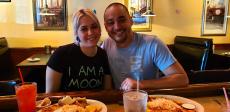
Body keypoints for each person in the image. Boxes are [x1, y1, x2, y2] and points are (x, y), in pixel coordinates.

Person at [102, 3, 189, 91]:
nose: (117, 27)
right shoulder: (106, 45)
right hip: (118, 101)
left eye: (122, 20)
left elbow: (182, 79)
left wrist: (141, 84)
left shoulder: (153, 44)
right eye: (111, 23)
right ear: (106, 27)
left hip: (148, 101)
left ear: (131, 21)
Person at [46, 9, 111, 93]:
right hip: (67, 106)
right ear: (76, 33)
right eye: (84, 29)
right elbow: (50, 96)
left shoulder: (103, 54)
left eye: (94, 27)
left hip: (97, 105)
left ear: (99, 30)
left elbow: (107, 91)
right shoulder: (61, 54)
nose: (90, 32)